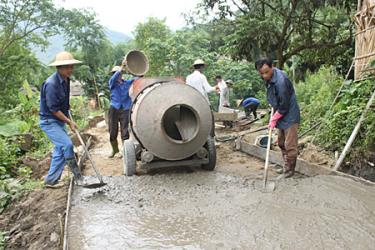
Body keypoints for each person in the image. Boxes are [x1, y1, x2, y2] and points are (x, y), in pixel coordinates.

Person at [39, 51, 84, 187]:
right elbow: (53, 109)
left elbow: (64, 102)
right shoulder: (51, 84)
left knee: (60, 151)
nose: (70, 70)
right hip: (49, 121)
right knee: (67, 145)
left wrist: (68, 109)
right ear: (59, 68)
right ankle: (78, 177)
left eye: (71, 66)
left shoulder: (66, 80)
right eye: (67, 67)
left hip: (58, 121)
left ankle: (51, 181)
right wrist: (69, 122)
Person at [255, 58, 300, 178]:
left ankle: (290, 171)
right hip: (280, 111)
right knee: (281, 142)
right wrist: (274, 113)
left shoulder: (281, 81)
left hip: (289, 114)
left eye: (266, 72)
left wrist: (274, 118)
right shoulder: (269, 78)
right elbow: (276, 98)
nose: (264, 75)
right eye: (261, 73)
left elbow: (284, 105)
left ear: (272, 67)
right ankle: (286, 165)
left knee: (290, 144)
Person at [107, 60, 137, 158]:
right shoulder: (112, 83)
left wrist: (137, 70)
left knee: (125, 131)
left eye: (118, 74)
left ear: (122, 75)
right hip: (114, 109)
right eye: (114, 74)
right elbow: (114, 77)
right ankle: (115, 150)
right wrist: (121, 67)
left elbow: (137, 79)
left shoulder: (127, 83)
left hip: (125, 109)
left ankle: (126, 152)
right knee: (112, 131)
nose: (116, 75)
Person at [186, 59, 218, 136]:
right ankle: (211, 137)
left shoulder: (188, 77)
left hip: (192, 102)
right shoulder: (201, 76)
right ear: (201, 67)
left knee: (196, 121)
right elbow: (208, 89)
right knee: (210, 119)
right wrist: (215, 87)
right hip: (203, 102)